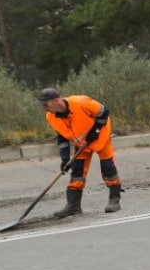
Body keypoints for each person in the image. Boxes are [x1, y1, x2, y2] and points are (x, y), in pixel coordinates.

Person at [38, 87, 122, 216]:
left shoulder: (81, 102)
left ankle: (114, 200)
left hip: (101, 137)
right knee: (77, 172)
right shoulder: (51, 116)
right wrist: (65, 159)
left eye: (46, 104)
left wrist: (96, 131)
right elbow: (62, 136)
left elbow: (104, 112)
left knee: (108, 168)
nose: (44, 108)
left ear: (56, 101)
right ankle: (73, 206)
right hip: (81, 144)